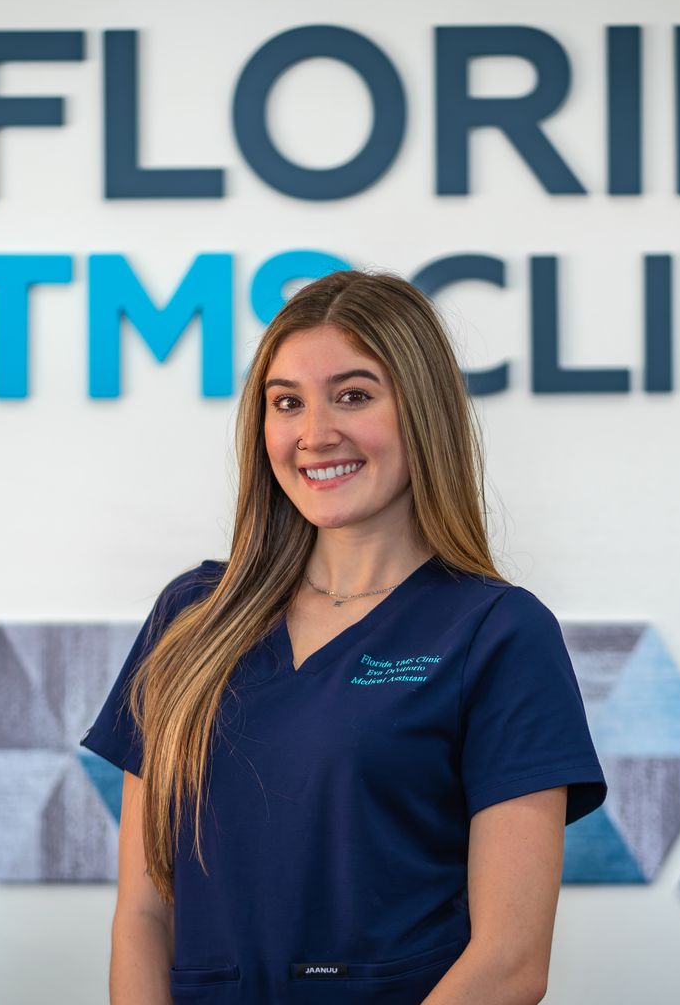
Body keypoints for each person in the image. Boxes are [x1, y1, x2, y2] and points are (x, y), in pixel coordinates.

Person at [80, 270, 606, 1004]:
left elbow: (511, 962)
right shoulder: (191, 617)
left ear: (421, 412)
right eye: (285, 403)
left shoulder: (498, 633)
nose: (314, 434)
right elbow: (141, 913)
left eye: (353, 396)